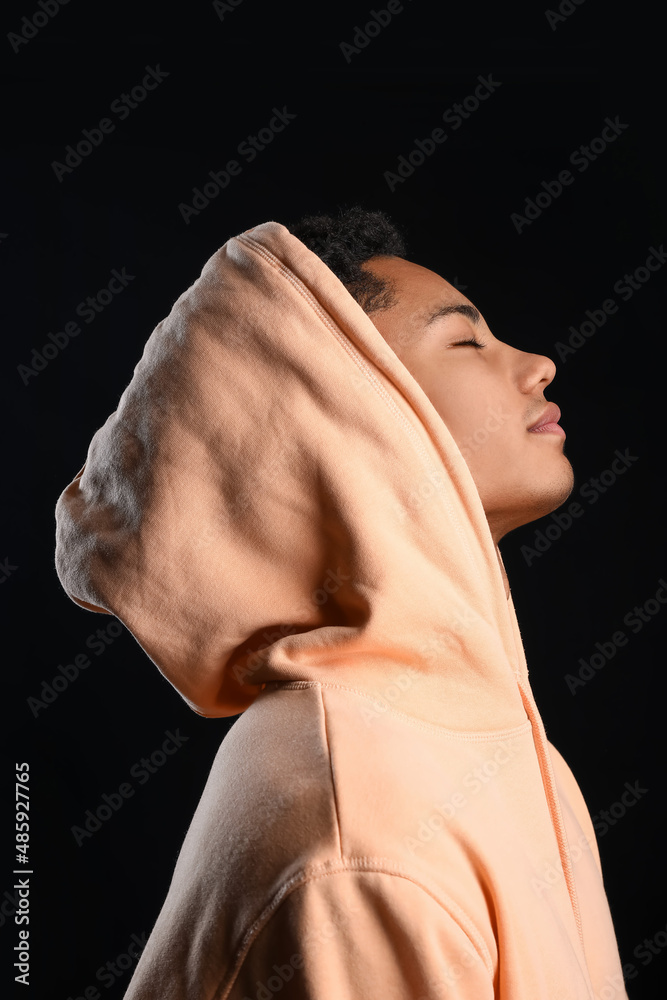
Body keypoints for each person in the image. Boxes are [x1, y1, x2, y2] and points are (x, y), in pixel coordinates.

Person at [54, 206, 629, 998]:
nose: (537, 365)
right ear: (350, 420)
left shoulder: (463, 733)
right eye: (467, 342)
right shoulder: (359, 837)